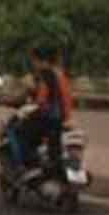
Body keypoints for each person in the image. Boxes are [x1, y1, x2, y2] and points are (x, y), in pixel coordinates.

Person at [16, 45, 73, 180]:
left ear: (39, 60)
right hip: (63, 118)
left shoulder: (45, 74)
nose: (33, 64)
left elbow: (42, 99)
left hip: (48, 117)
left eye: (34, 61)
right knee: (54, 147)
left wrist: (33, 102)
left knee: (21, 132)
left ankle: (30, 166)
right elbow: (67, 97)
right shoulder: (61, 74)